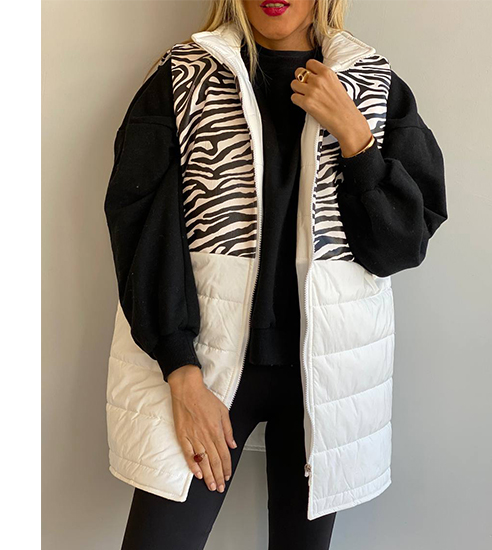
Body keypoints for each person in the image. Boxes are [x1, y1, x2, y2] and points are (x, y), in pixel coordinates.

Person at [103, 1, 448, 548]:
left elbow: (399, 247)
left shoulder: (375, 86)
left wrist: (355, 136)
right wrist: (180, 369)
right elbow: (140, 227)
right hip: (202, 367)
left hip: (327, 380)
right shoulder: (184, 76)